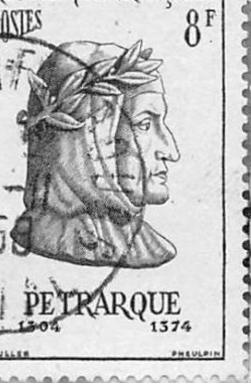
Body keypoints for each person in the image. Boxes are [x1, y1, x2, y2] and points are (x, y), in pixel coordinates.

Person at [10, 39, 179, 268]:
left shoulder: (145, 244)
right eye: (145, 124)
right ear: (87, 143)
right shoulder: (57, 239)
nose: (170, 151)